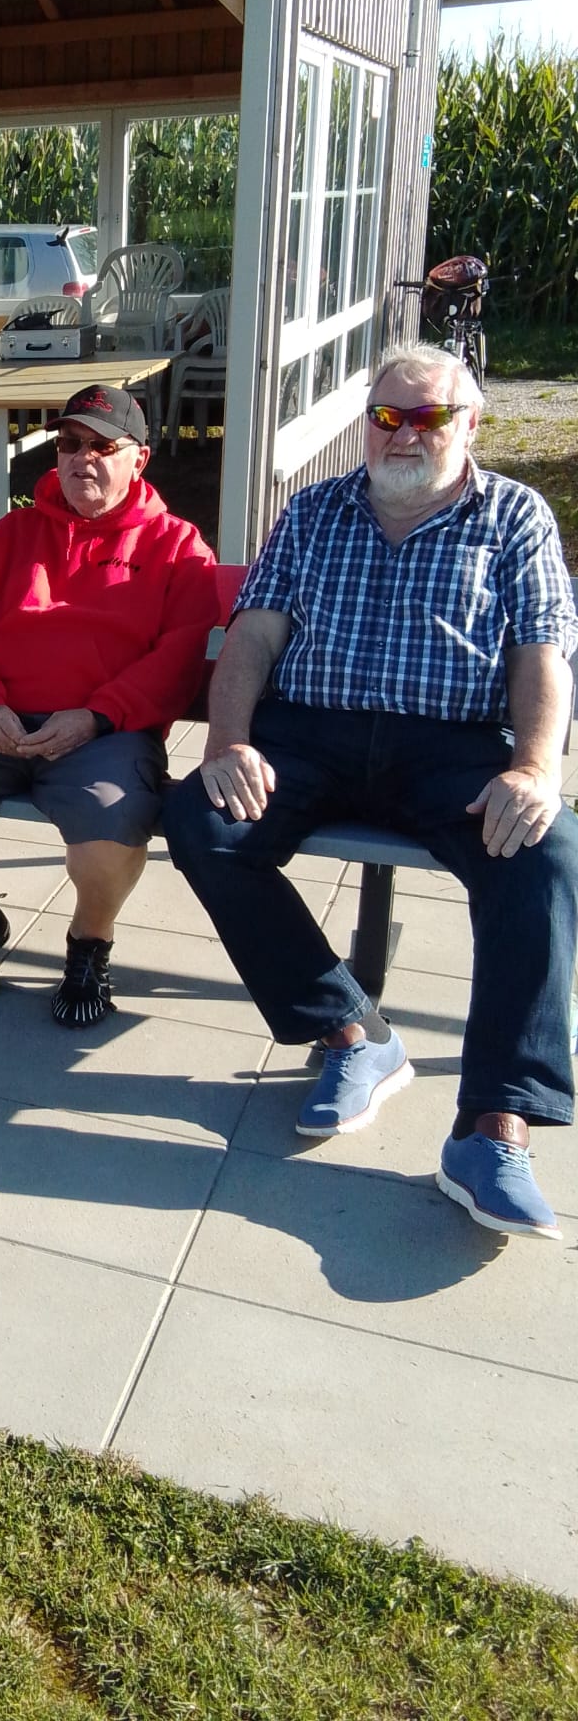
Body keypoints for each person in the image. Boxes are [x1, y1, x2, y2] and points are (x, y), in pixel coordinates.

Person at [163, 348, 578, 1241]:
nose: (404, 435)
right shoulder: (313, 511)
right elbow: (252, 638)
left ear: (470, 423)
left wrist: (536, 768)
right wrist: (228, 742)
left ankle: (493, 1127)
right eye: (387, 417)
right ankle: (352, 1032)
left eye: (428, 418)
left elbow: (542, 652)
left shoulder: (514, 516)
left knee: (544, 852)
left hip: (450, 748)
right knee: (202, 819)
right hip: (312, 735)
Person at [0, 384, 219, 1022]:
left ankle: (90, 942)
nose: (82, 457)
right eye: (69, 443)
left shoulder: (177, 547)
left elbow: (177, 660)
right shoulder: (6, 538)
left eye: (102, 446)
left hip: (105, 733)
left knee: (112, 822)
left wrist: (97, 715)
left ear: (139, 459)